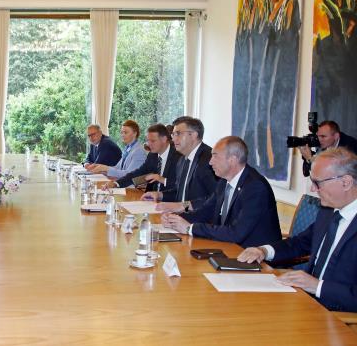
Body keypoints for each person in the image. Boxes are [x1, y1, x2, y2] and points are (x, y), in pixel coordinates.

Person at [238, 148, 357, 312]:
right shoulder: (329, 211)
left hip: (337, 314)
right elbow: (300, 243)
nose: (313, 189)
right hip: (304, 300)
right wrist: (264, 251)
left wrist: (318, 286)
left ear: (346, 182)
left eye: (317, 183)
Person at [162, 136, 281, 248]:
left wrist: (190, 228)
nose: (210, 162)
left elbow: (237, 233)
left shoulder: (255, 187)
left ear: (232, 160)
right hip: (227, 246)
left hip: (253, 254)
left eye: (215, 156)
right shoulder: (224, 181)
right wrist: (175, 219)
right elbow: (205, 211)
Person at [143, 116, 218, 212]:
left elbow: (216, 198)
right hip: (180, 216)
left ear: (193, 135)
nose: (173, 139)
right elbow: (180, 193)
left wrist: (183, 206)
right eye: (173, 134)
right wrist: (159, 195)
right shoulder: (182, 160)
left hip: (200, 219)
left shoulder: (210, 159)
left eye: (178, 134)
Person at [105, 124, 182, 199]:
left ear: (164, 139)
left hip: (169, 201)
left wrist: (162, 180)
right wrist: (116, 183)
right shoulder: (152, 155)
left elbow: (181, 186)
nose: (149, 144)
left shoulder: (179, 157)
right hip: (150, 199)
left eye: (153, 141)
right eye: (148, 140)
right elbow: (138, 173)